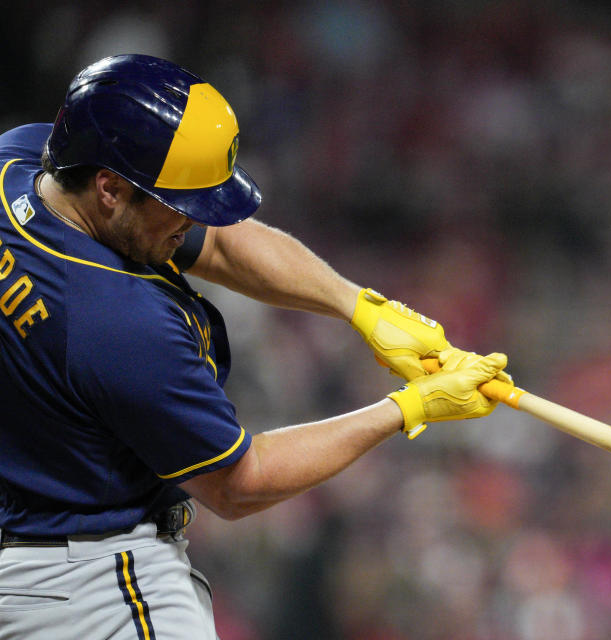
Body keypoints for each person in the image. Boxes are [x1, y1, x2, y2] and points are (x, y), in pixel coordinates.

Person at [0, 53, 510, 639]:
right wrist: (406, 408)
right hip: (93, 588)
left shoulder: (17, 163)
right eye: (180, 205)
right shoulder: (115, 323)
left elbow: (217, 246)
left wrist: (359, 308)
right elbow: (240, 483)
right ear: (110, 189)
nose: (192, 222)